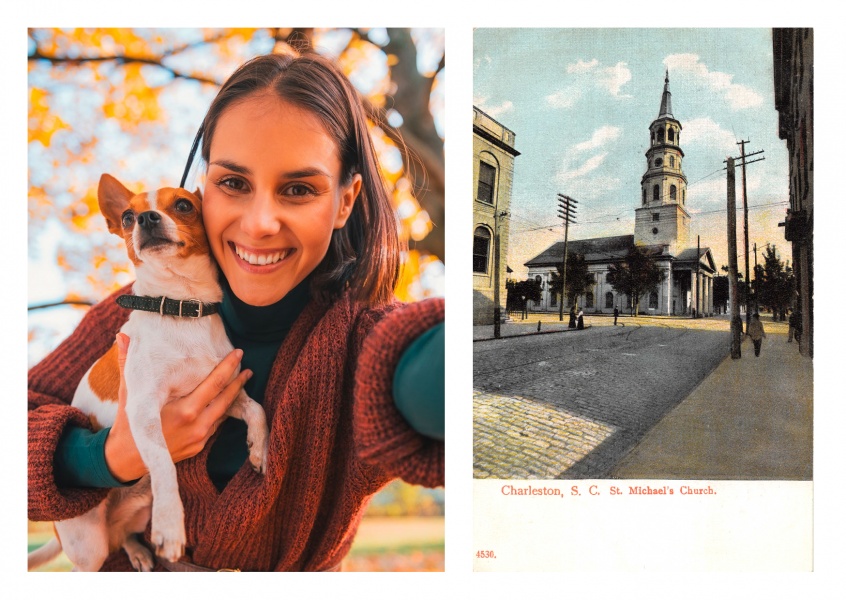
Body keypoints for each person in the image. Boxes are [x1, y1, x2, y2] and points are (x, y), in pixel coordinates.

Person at [28, 51, 444, 572]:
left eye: (298, 189)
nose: (259, 224)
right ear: (204, 191)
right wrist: (107, 457)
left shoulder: (363, 341)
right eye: (233, 183)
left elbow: (431, 376)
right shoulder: (126, 314)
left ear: (344, 201)